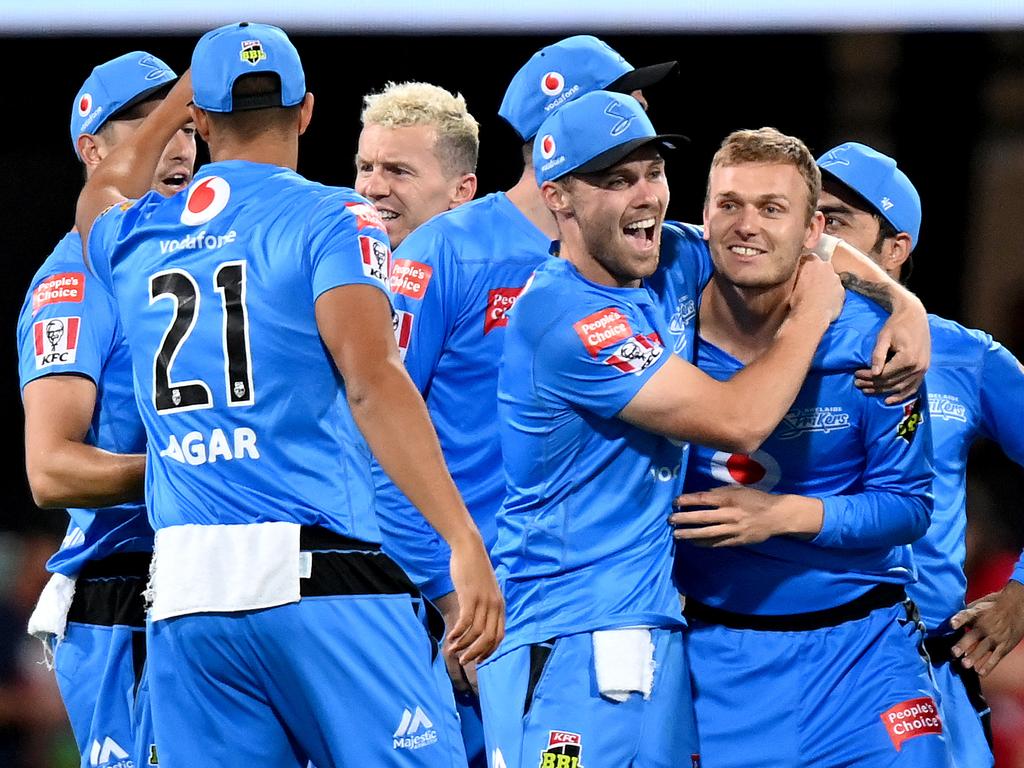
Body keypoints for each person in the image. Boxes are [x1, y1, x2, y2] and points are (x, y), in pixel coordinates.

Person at [74, 22, 503, 768]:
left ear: (200, 121)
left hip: (185, 596)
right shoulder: (333, 217)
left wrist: (186, 94)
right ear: (307, 111)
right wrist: (463, 540)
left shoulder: (135, 235)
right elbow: (374, 383)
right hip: (321, 581)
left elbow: (103, 189)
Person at [477, 92, 847, 768]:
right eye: (617, 181)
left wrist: (903, 304)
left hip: (655, 635)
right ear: (559, 198)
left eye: (652, 171)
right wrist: (811, 315)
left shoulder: (669, 256)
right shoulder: (564, 316)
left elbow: (776, 243)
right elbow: (738, 421)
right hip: (567, 641)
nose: (647, 196)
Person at [669, 127, 950, 767]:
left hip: (866, 659)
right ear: (704, 215)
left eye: (773, 209)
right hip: (716, 664)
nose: (747, 226)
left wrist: (786, 516)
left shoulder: (874, 345)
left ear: (812, 229)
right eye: (729, 204)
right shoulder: (662, 322)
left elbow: (909, 505)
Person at [816, 140, 1024, 768]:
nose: (819, 240)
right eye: (811, 218)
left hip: (919, 672)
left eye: (840, 221)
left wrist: (1022, 590)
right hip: (770, 664)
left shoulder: (966, 357)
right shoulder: (740, 340)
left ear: (895, 249)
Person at [16, 51, 195, 768]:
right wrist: (207, 463)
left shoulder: (201, 261)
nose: (177, 142)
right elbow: (51, 470)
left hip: (215, 575)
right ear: (94, 150)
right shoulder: (75, 278)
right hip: (126, 591)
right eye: (148, 124)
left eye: (184, 123)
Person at [354, 80, 478, 249]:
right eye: (366, 168)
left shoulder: (496, 273)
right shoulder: (323, 264)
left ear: (461, 190)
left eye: (398, 171)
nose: (372, 189)